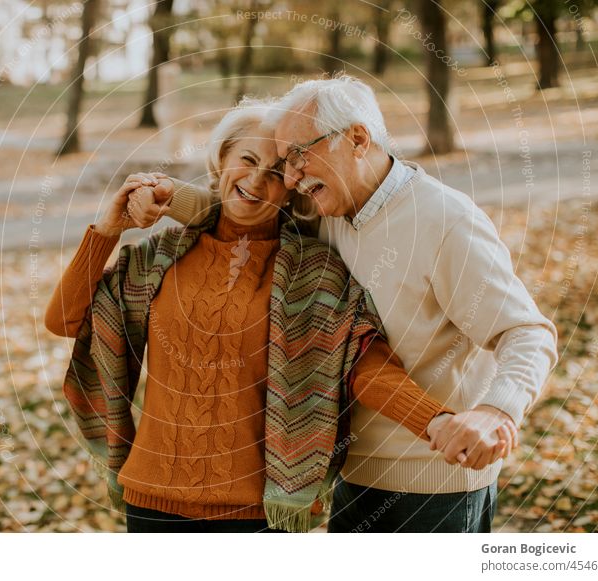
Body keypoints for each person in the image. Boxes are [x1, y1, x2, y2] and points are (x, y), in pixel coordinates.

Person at [44, 100, 508, 533]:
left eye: (276, 172)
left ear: (292, 189)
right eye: (247, 160)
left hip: (259, 513)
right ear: (221, 159)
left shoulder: (314, 271)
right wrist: (106, 230)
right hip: (150, 500)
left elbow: (361, 368)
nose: (257, 180)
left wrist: (438, 422)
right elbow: (64, 320)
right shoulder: (156, 258)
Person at [133, 76, 558, 533]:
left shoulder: (446, 222)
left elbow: (527, 332)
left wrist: (497, 411)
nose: (291, 177)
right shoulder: (329, 210)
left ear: (356, 138)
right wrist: (169, 197)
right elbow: (248, 207)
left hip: (436, 485)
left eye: (298, 155)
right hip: (351, 479)